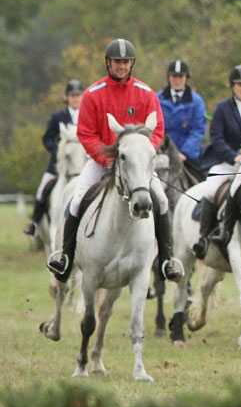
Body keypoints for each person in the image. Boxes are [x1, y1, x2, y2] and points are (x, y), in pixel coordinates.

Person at [46, 38, 183, 282]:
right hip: (102, 163)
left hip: (136, 165)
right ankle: (66, 256)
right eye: (117, 61)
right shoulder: (93, 94)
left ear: (132, 63)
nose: (122, 66)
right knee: (77, 200)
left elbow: (158, 130)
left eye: (126, 62)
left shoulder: (146, 93)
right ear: (108, 63)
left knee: (161, 200)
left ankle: (165, 260)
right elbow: (86, 133)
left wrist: (141, 155)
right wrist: (105, 158)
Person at [191, 64, 241, 259]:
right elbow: (217, 139)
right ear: (232, 86)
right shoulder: (222, 108)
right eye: (240, 85)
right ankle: (204, 237)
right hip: (226, 162)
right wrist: (233, 156)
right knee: (210, 190)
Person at [23, 79, 84, 237]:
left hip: (81, 165)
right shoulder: (58, 116)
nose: (75, 98)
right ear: (67, 97)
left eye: (78, 95)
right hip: (59, 165)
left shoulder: (87, 116)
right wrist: (58, 150)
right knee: (42, 189)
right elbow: (47, 139)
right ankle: (34, 223)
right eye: (72, 96)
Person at [157, 59, 207, 170]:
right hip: (162, 154)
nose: (177, 80)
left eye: (181, 77)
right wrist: (163, 151)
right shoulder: (157, 99)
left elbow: (198, 130)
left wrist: (185, 153)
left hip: (187, 157)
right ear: (169, 77)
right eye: (174, 76)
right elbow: (156, 129)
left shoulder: (197, 102)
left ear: (186, 78)